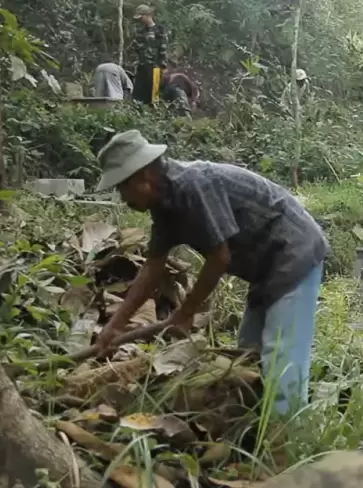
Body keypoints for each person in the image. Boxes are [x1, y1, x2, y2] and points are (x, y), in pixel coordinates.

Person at [93, 130, 329, 416]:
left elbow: (219, 257)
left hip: (295, 252)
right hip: (265, 268)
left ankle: (289, 442)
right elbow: (153, 266)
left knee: (283, 357)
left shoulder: (195, 186)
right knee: (247, 354)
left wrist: (186, 311)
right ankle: (254, 430)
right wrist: (115, 325)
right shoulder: (165, 204)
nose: (122, 197)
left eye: (122, 188)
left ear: (143, 177)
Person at [132, 4, 167, 105]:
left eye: (141, 17)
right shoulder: (140, 32)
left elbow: (163, 49)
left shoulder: (160, 30)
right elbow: (136, 48)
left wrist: (162, 66)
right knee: (137, 97)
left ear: (147, 15)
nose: (140, 20)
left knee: (154, 97)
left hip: (155, 68)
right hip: (142, 67)